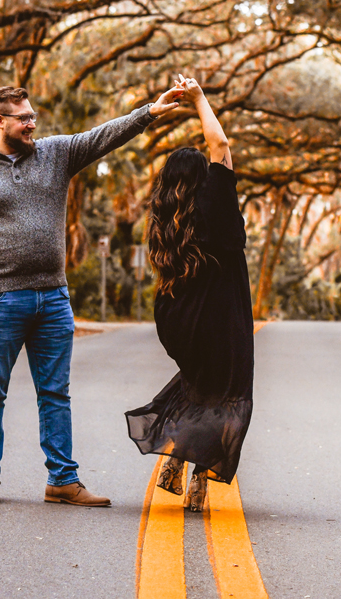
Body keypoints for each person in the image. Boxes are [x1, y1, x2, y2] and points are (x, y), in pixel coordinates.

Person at [0, 84, 182, 506]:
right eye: (23, 117)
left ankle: (63, 480)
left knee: (55, 392)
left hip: (52, 297)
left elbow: (104, 135)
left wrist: (150, 112)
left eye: (33, 115)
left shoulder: (56, 154)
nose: (33, 123)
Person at [125, 75, 254, 512]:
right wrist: (199, 99)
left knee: (197, 385)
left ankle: (173, 460)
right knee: (226, 396)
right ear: (204, 179)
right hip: (221, 317)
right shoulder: (214, 204)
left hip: (178, 319)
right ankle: (199, 476)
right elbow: (220, 147)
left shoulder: (166, 219)